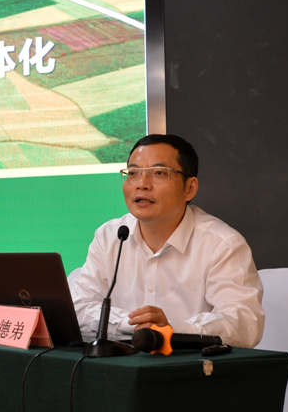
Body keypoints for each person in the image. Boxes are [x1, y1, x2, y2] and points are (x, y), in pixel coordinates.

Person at [67, 134, 264, 348]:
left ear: (190, 188)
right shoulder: (110, 236)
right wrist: (132, 324)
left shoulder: (222, 244)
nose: (141, 184)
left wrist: (170, 330)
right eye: (133, 173)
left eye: (159, 173)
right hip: (122, 363)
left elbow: (243, 324)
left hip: (192, 364)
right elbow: (78, 309)